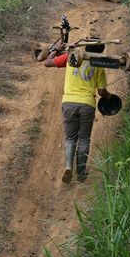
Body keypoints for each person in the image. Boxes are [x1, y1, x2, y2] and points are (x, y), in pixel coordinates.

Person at [44, 40, 112, 183]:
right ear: (100, 52)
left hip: (68, 102)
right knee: (84, 139)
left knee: (70, 137)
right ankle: (81, 173)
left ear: (85, 47)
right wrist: (109, 96)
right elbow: (101, 91)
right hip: (87, 104)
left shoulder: (71, 57)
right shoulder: (99, 65)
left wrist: (56, 49)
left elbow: (48, 62)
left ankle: (68, 166)